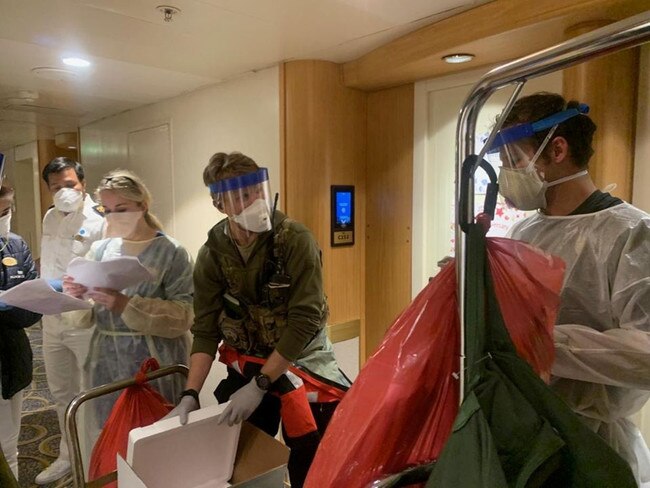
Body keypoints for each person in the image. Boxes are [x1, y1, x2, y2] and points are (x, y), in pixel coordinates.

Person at [491, 92, 650, 486]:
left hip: (595, 442)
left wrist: (542, 343)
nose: (506, 175)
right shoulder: (523, 232)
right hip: (531, 431)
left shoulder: (631, 234)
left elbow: (645, 353)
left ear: (557, 149)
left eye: (513, 160)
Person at [165, 152, 350, 488]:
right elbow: (205, 329)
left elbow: (305, 319)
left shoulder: (295, 240)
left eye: (255, 191)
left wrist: (262, 384)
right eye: (239, 196)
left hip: (303, 365)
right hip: (247, 364)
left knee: (313, 461)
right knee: (239, 461)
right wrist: (190, 393)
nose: (253, 201)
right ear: (220, 204)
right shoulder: (213, 254)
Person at [63, 169, 193, 435]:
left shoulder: (171, 252)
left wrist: (126, 304)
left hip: (156, 360)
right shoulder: (101, 249)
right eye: (106, 210)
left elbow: (184, 315)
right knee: (110, 432)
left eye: (121, 209)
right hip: (105, 360)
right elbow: (85, 314)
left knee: (155, 435)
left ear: (142, 205)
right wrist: (77, 295)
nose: (112, 217)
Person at [36, 157, 105, 484]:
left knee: (88, 395)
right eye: (55, 187)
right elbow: (49, 264)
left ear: (83, 184)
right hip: (51, 320)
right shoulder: (49, 218)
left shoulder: (99, 220)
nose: (63, 192)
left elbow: (108, 272)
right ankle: (68, 455)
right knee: (61, 393)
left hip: (84, 321)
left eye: (69, 185)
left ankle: (92, 462)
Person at [0, 185, 43, 481]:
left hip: (10, 356)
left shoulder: (16, 245)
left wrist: (6, 305)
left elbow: (33, 311)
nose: (3, 218)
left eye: (6, 211)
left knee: (8, 445)